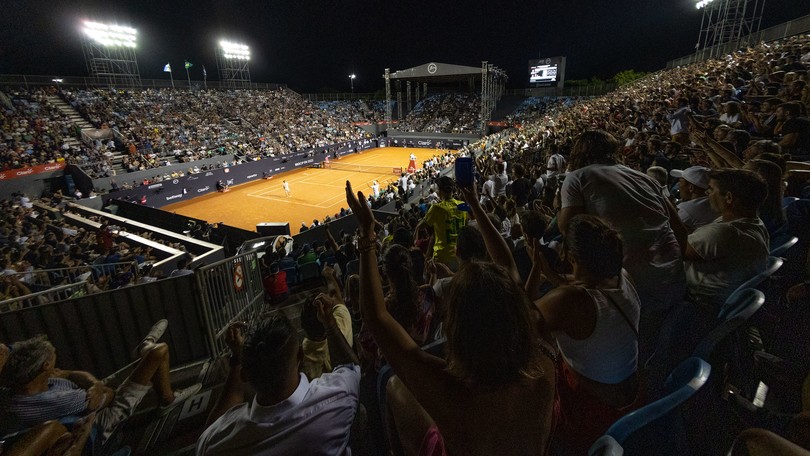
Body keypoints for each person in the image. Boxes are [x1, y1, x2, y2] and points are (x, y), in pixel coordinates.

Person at [345, 180, 556, 456]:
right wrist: (477, 207)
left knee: (395, 385)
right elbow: (510, 273)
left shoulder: (452, 392)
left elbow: (376, 317)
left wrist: (367, 235)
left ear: (458, 328)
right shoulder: (545, 359)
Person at [558, 130, 685, 361]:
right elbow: (679, 230)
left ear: (579, 151)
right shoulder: (645, 178)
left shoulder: (577, 177)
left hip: (633, 293)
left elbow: (567, 228)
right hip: (675, 282)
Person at [528, 215, 641, 454]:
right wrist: (552, 276)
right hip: (630, 396)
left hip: (594, 410)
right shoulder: (622, 276)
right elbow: (584, 285)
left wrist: (536, 270)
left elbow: (523, 321)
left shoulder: (570, 301)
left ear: (571, 257)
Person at [196, 304, 360, 455]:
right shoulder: (338, 398)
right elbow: (349, 365)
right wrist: (330, 324)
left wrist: (236, 360)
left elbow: (209, 433)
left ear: (244, 374)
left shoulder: (217, 443)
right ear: (300, 357)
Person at [0, 322, 201, 444]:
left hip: (92, 394)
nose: (56, 359)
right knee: (160, 351)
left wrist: (93, 383)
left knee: (147, 360)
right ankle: (166, 396)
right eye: (53, 355)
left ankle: (146, 348)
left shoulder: (24, 384)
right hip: (103, 416)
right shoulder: (62, 400)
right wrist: (98, 387)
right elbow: (109, 396)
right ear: (45, 366)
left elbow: (69, 373)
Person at [678, 168, 769, 310]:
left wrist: (664, 204)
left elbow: (674, 249)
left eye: (711, 189)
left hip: (697, 304)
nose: (707, 193)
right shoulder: (754, 223)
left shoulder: (726, 232)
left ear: (729, 197)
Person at [414, 176, 467, 271]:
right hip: (460, 255)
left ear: (441, 191)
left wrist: (415, 242)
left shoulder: (436, 208)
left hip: (442, 257)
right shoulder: (462, 205)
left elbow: (420, 226)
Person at [671, 166, 719, 232]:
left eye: (680, 181)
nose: (678, 185)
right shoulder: (715, 201)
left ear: (691, 188)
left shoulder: (685, 209)